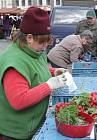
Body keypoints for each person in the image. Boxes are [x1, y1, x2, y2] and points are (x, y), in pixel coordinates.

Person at [0, 7, 67, 140]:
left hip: (34, 122)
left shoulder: (35, 51)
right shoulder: (14, 61)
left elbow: (35, 69)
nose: (44, 47)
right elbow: (18, 100)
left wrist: (54, 72)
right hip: (16, 132)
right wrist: (48, 86)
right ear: (29, 38)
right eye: (42, 42)